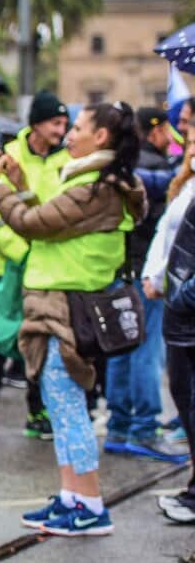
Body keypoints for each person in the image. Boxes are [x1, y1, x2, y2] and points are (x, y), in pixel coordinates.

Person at [0, 100, 147, 537]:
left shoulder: (95, 189)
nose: (69, 135)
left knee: (68, 408)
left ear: (101, 136)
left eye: (77, 127)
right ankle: (72, 496)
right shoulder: (97, 185)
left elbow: (33, 223)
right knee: (61, 407)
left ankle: (90, 505)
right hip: (64, 308)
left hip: (67, 311)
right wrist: (22, 185)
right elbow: (54, 224)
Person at [0, 90, 69, 440]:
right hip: (6, 268)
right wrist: (20, 250)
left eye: (65, 123)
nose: (61, 130)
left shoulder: (66, 160)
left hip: (45, 270)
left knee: (38, 340)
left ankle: (36, 412)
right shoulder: (5, 156)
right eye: (55, 123)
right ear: (37, 124)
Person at [103, 107, 186, 461]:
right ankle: (144, 428)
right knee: (146, 350)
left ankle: (119, 426)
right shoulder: (158, 170)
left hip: (119, 269)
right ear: (155, 131)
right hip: (144, 272)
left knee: (121, 348)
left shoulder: (125, 166)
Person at [155, 122, 195, 526]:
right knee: (186, 403)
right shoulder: (185, 184)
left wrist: (182, 294)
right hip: (182, 322)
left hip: (187, 316)